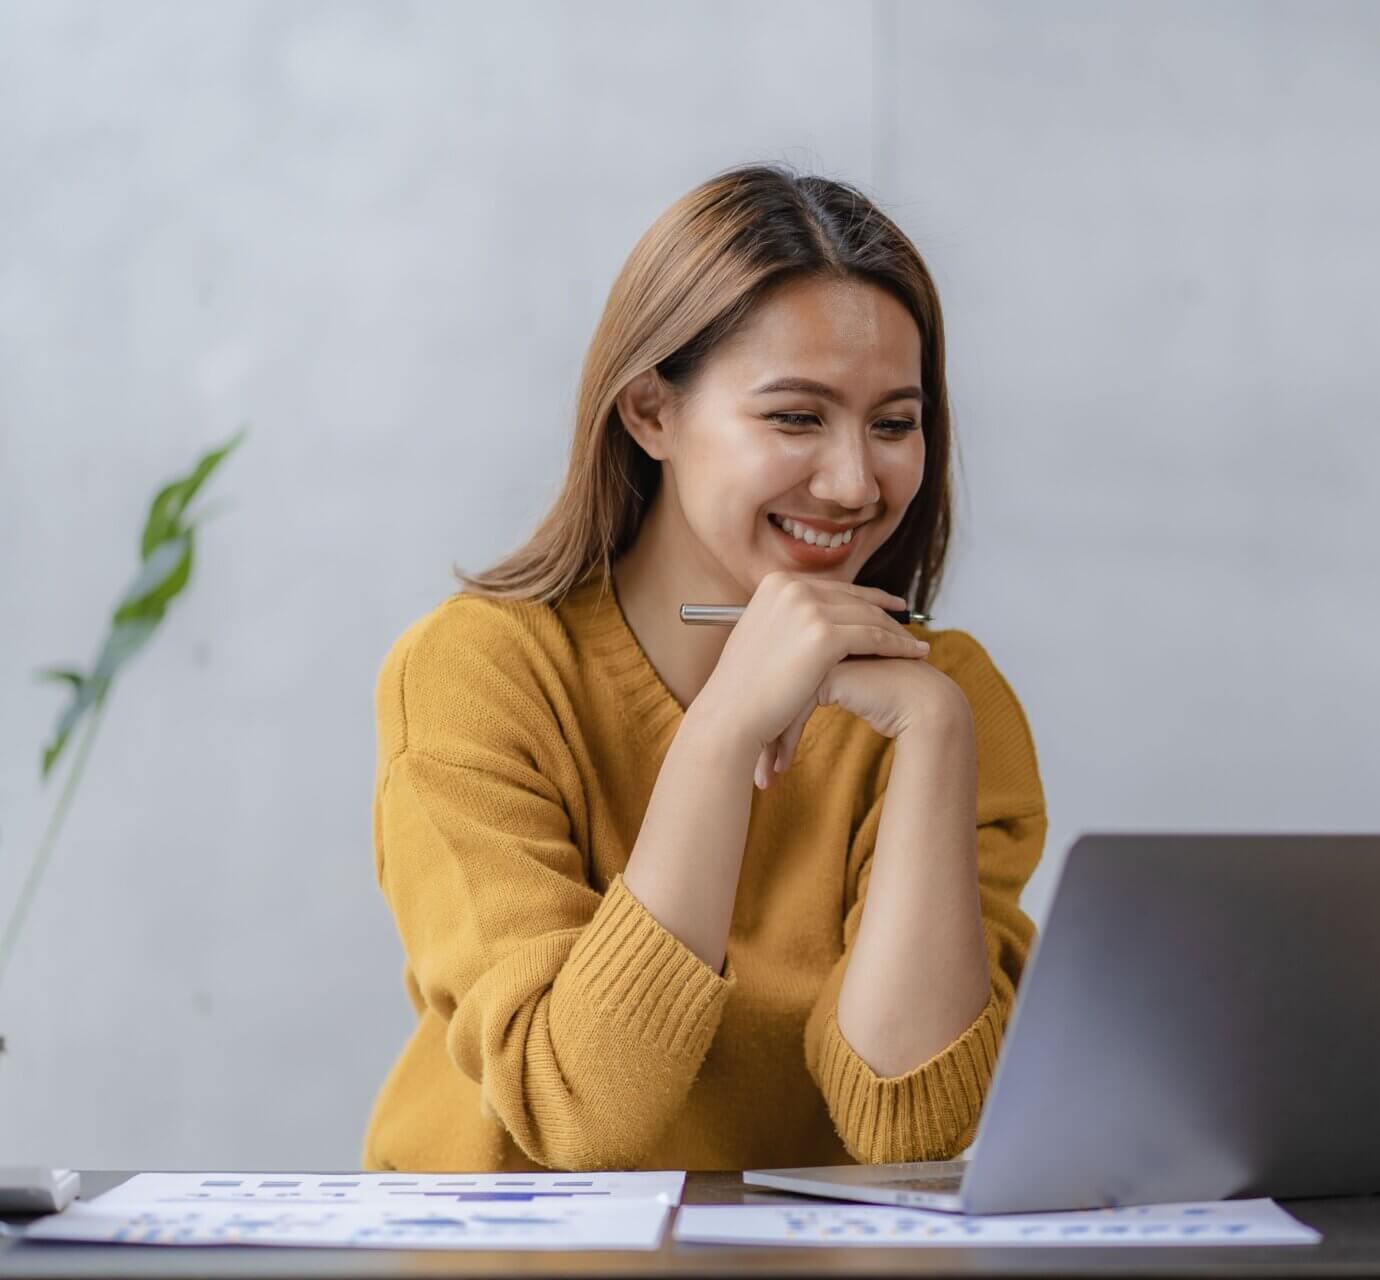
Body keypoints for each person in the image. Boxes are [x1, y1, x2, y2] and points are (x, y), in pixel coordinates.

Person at [361, 164, 1047, 1173]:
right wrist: (724, 734)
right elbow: (575, 1111)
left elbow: (910, 1131)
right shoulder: (475, 672)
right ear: (651, 413)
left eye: (894, 422)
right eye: (796, 417)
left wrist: (939, 735)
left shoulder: (939, 696)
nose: (856, 480)